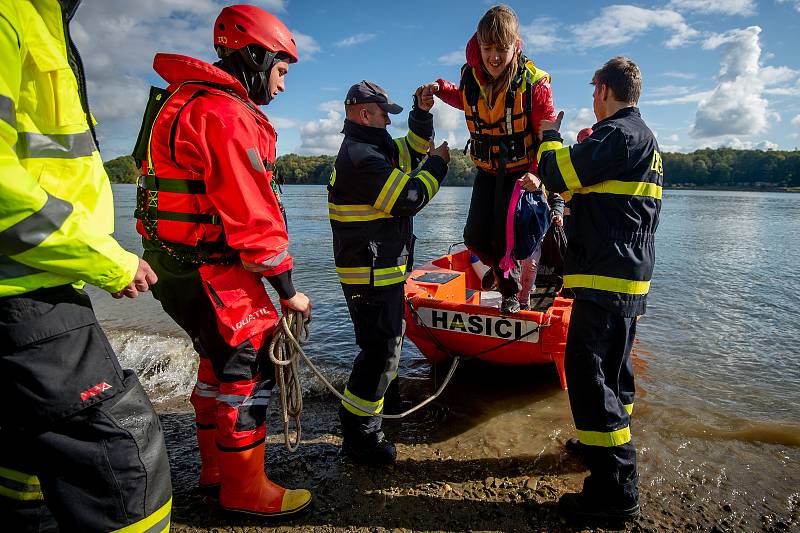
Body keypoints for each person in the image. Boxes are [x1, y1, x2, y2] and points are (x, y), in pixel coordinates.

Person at [133, 4, 311, 518]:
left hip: (173, 268)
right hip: (215, 272)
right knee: (247, 373)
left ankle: (215, 470)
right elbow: (253, 216)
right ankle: (245, 489)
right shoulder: (225, 113)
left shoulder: (181, 101)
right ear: (254, 56)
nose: (281, 86)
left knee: (212, 365)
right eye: (280, 70)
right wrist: (288, 289)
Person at [0, 0, 172, 530]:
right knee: (123, 460)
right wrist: (106, 259)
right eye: (281, 71)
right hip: (26, 285)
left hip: (37, 276)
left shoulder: (43, 20)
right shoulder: (13, 16)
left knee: (23, 449)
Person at [534, 56, 663, 522]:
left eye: (594, 91)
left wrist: (549, 135)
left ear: (606, 90)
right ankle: (604, 449)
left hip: (605, 280)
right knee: (614, 376)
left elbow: (556, 174)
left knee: (588, 377)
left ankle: (614, 489)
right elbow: (593, 194)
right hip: (623, 278)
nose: (592, 100)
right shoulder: (639, 140)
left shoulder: (620, 135)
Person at [329, 80, 449, 465]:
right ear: (364, 114)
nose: (387, 122)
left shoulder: (375, 147)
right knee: (379, 352)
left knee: (384, 349)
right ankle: (361, 436)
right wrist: (439, 166)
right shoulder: (361, 157)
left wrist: (422, 111)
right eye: (384, 115)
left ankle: (383, 405)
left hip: (380, 270)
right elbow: (408, 198)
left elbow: (411, 148)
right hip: (370, 274)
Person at [424, 4, 557, 314]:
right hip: (486, 170)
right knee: (474, 238)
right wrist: (440, 90)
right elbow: (465, 99)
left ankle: (510, 292)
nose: (494, 56)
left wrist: (538, 174)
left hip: (521, 174)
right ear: (479, 46)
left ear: (516, 45)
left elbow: (548, 135)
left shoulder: (536, 85)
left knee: (507, 240)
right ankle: (499, 274)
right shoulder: (471, 75)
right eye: (488, 48)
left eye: (502, 48)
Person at [517, 190, 564, 309]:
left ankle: (523, 302)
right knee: (512, 268)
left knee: (531, 265)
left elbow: (557, 199)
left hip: (535, 231)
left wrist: (557, 213)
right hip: (511, 229)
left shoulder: (544, 176)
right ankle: (509, 298)